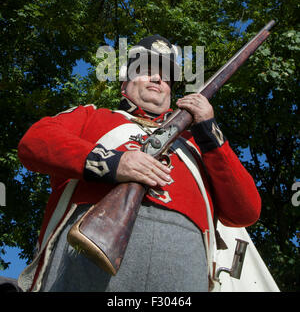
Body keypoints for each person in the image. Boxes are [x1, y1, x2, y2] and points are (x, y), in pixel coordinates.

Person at [17, 35, 261, 292]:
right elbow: (34, 142)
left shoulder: (200, 144)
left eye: (165, 77)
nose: (157, 79)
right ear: (125, 82)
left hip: (185, 265)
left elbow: (246, 211)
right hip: (89, 255)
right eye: (146, 71)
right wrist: (115, 163)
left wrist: (210, 131)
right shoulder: (92, 116)